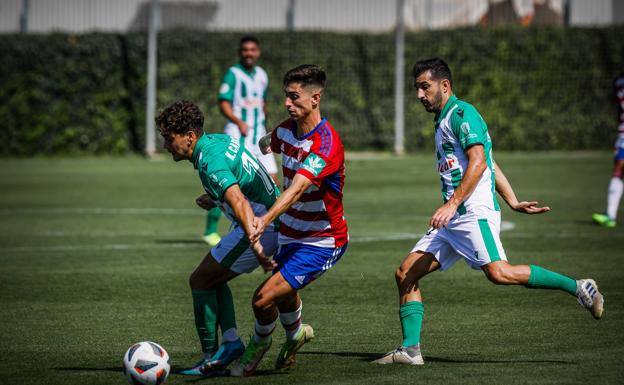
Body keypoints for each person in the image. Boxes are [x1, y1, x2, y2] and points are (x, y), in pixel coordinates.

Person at [374, 58, 604, 366]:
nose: (419, 95)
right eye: (417, 88)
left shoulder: (463, 114)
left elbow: (480, 162)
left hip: (472, 214)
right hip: (453, 220)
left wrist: (452, 204)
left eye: (424, 87)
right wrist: (512, 199)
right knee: (406, 273)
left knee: (499, 272)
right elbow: (490, 164)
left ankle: (580, 287)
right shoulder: (443, 120)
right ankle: (411, 350)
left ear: (445, 86)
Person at [229, 64, 349, 377]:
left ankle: (258, 346)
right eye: (286, 96)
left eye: (294, 97)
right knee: (283, 293)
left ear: (315, 98)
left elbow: (296, 190)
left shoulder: (327, 144)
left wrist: (263, 218)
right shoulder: (284, 131)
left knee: (262, 299)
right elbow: (266, 145)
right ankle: (296, 334)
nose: (286, 102)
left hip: (323, 240)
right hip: (290, 235)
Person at [156, 100, 280, 375]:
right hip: (269, 220)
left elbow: (238, 199)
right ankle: (232, 343)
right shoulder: (217, 141)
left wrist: (257, 244)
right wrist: (215, 197)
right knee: (213, 277)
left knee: (200, 279)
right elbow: (242, 176)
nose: (166, 146)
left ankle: (212, 355)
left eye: (168, 138)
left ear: (190, 136)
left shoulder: (208, 160)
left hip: (262, 227)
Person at [203, 35, 278, 246]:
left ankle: (267, 225)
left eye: (253, 49)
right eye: (245, 49)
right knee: (227, 183)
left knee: (272, 180)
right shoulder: (233, 74)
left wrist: (264, 124)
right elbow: (223, 102)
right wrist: (238, 121)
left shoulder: (262, 75)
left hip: (258, 136)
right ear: (240, 52)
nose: (249, 53)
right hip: (237, 134)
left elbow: (261, 103)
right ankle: (210, 231)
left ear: (258, 52)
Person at [592, 74, 624, 228]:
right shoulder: (618, 81)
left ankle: (610, 215)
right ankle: (610, 215)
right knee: (618, 169)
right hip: (622, 133)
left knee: (619, 168)